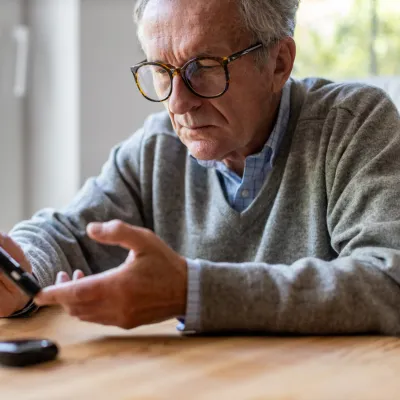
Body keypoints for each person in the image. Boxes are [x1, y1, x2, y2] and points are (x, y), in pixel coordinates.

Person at [1, 0, 400, 334]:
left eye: (204, 66)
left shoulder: (353, 123)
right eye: (161, 71)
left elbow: (389, 281)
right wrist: (23, 272)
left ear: (279, 63)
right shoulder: (157, 149)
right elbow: (65, 234)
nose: (177, 103)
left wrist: (190, 291)